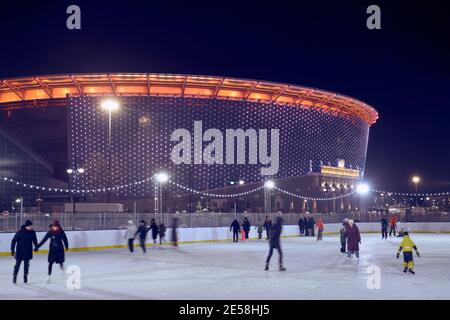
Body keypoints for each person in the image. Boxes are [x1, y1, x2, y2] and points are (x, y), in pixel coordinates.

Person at [10, 220, 38, 284]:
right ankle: (15, 276)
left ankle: (25, 276)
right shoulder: (19, 232)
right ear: (27, 226)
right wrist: (12, 250)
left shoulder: (33, 232)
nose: (31, 227)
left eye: (31, 225)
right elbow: (13, 241)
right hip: (20, 251)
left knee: (26, 265)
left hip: (28, 251)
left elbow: (35, 241)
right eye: (30, 226)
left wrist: (36, 247)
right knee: (17, 265)